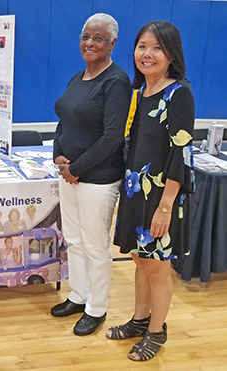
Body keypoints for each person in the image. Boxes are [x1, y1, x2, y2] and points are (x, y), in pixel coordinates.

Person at [108, 21, 195, 362]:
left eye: (157, 48)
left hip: (162, 197)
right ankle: (139, 319)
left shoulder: (179, 94)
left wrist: (166, 206)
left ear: (171, 55)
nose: (148, 54)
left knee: (158, 267)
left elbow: (181, 154)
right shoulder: (138, 93)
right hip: (136, 193)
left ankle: (157, 331)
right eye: (142, 46)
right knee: (139, 260)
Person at [50, 13, 131, 337]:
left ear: (112, 43)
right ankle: (79, 295)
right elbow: (64, 120)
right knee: (74, 240)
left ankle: (96, 308)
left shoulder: (116, 81)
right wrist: (58, 155)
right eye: (86, 36)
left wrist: (77, 169)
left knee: (96, 246)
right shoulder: (76, 78)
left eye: (98, 38)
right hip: (69, 174)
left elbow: (113, 137)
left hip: (97, 179)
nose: (90, 43)